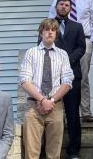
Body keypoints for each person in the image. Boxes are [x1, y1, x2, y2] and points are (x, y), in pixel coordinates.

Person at [49, 0, 93, 123]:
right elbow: (51, 22)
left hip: (83, 42)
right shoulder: (58, 1)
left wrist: (92, 41)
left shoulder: (88, 1)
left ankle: (85, 111)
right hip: (61, 42)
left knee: (82, 77)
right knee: (59, 78)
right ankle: (62, 112)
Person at [19, 18, 74, 159]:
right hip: (33, 106)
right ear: (41, 32)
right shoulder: (31, 53)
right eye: (47, 29)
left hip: (55, 106)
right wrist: (42, 99)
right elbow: (25, 80)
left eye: (53, 30)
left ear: (56, 33)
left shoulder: (63, 54)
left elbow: (67, 81)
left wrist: (51, 100)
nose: (50, 32)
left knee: (54, 153)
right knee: (31, 153)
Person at [54, 0, 86, 159]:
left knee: (73, 114)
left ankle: (74, 151)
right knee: (53, 114)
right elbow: (41, 44)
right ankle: (53, 150)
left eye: (67, 5)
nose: (64, 7)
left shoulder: (77, 27)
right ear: (56, 7)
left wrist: (67, 60)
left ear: (70, 9)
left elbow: (82, 48)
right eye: (61, 4)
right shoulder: (48, 25)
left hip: (73, 75)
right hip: (52, 76)